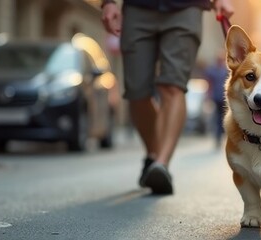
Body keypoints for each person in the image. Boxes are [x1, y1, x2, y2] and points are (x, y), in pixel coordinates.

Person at [100, 0, 234, 194]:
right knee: (136, 90)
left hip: (186, 8)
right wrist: (109, 2)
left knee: (173, 86)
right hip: (138, 8)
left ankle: (161, 164)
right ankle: (154, 155)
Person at [203, 56, 229, 150]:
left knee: (223, 117)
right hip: (217, 97)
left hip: (225, 98)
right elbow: (209, 84)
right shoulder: (212, 70)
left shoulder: (226, 70)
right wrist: (208, 95)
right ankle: (218, 136)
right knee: (218, 117)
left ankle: (221, 134)